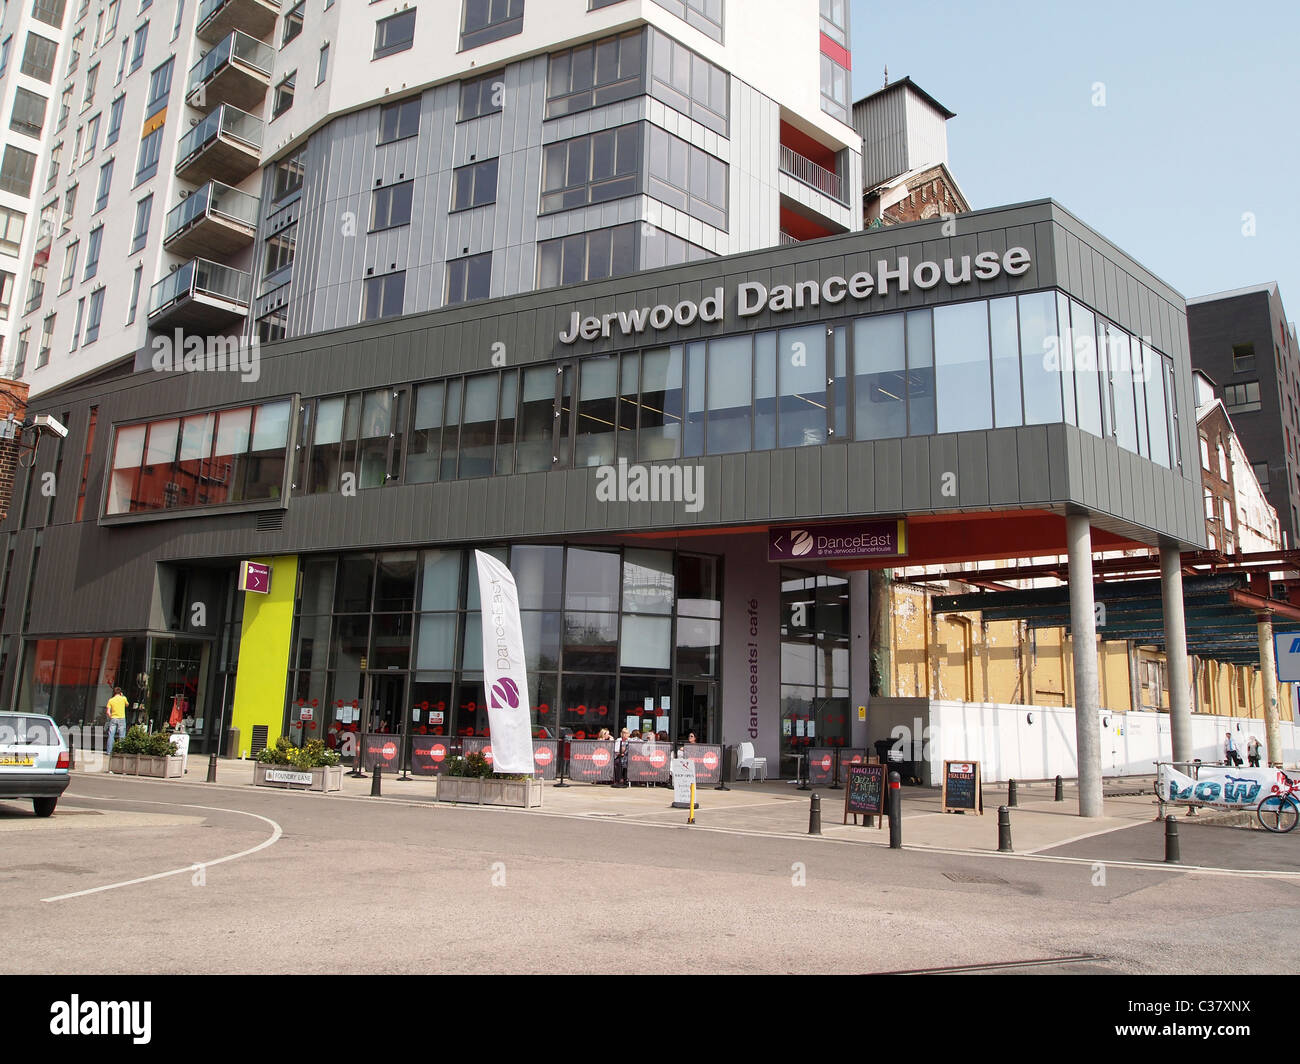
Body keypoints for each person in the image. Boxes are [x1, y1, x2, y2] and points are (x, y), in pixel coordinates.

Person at [105, 687, 128, 755]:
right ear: (120, 692)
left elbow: (108, 712)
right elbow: (127, 705)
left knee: (111, 735)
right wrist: (123, 696)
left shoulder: (111, 700)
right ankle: (120, 751)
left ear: (114, 692)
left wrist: (111, 717)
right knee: (122, 735)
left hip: (113, 718)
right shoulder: (123, 698)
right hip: (121, 718)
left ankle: (109, 751)